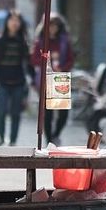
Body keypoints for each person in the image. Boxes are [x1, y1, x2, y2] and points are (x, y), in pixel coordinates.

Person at [32, 13, 75, 146]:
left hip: (60, 78)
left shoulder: (64, 41)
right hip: (46, 78)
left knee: (63, 113)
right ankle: (49, 139)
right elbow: (34, 59)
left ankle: (56, 134)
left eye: (55, 25)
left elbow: (71, 59)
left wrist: (62, 68)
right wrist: (46, 61)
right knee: (48, 113)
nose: (52, 28)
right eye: (50, 25)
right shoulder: (41, 41)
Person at [0, 10, 32, 146]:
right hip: (2, 82)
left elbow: (28, 63)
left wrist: (32, 79)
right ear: (7, 22)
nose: (14, 23)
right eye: (12, 20)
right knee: (1, 112)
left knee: (16, 113)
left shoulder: (23, 42)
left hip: (18, 82)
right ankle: (1, 137)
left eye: (17, 20)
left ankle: (13, 140)